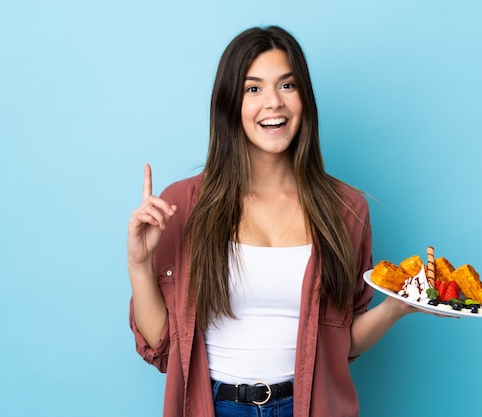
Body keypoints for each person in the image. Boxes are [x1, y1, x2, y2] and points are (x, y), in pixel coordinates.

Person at [127, 25, 415, 417]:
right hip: (217, 407)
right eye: (253, 89)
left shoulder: (345, 209)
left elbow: (339, 345)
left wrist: (397, 307)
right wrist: (140, 266)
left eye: (287, 86)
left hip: (308, 407)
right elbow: (161, 345)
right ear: (231, 103)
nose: (273, 103)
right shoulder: (183, 205)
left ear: (304, 100)